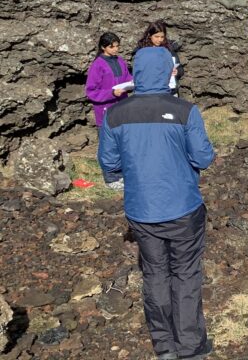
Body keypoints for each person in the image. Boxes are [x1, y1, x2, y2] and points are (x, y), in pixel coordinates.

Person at [97, 47, 216, 360]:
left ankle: (165, 348)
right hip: (183, 208)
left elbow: (108, 164)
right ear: (168, 72)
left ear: (136, 73)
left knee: (155, 275)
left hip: (141, 211)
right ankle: (191, 348)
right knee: (186, 275)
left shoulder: (115, 114)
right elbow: (204, 157)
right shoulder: (184, 111)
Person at [85, 32, 134, 189]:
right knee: (108, 146)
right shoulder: (97, 65)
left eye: (117, 46)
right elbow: (91, 91)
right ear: (103, 47)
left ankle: (123, 173)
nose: (115, 49)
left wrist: (132, 84)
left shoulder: (120, 60)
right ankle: (111, 178)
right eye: (112, 47)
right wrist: (111, 93)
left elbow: (127, 78)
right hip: (106, 110)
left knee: (124, 142)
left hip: (122, 108)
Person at [134, 21, 184, 97]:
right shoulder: (142, 51)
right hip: (149, 92)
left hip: (170, 91)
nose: (160, 40)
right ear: (150, 35)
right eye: (156, 37)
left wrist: (177, 71)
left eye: (162, 37)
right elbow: (137, 71)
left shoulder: (169, 49)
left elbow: (180, 69)